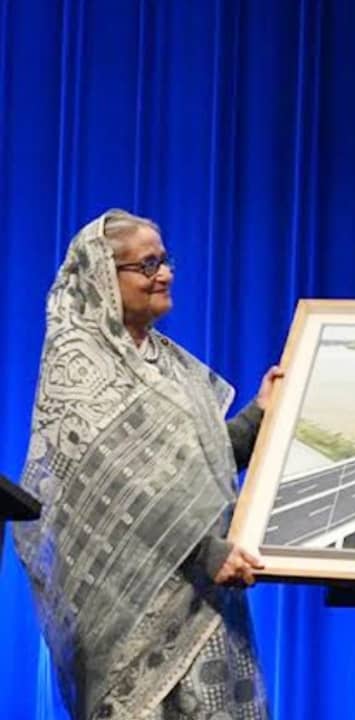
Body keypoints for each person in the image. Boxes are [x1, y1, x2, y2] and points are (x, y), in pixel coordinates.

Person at [15, 209, 284, 719]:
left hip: (205, 602)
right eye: (147, 265)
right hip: (132, 611)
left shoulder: (170, 366)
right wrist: (206, 550)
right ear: (103, 277)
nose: (165, 274)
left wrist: (260, 415)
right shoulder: (80, 368)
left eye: (164, 261)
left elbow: (206, 463)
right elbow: (120, 487)